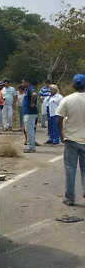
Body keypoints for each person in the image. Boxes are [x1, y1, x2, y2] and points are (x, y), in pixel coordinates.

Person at [56, 74, 85, 206]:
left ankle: (70, 198)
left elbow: (59, 119)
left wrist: (61, 136)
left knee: (70, 169)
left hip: (71, 140)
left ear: (73, 85)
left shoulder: (67, 100)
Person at [22, 77, 38, 152]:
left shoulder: (30, 88)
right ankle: (31, 146)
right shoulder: (27, 89)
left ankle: (31, 148)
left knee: (30, 130)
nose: (22, 84)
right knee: (28, 130)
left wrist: (32, 103)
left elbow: (34, 95)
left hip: (30, 113)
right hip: (28, 113)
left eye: (23, 82)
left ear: (27, 82)